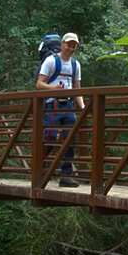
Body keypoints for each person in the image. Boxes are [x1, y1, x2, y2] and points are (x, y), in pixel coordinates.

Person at [36, 32, 84, 187]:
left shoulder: (76, 64)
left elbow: (77, 88)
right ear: (62, 44)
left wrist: (82, 106)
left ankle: (66, 174)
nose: (71, 48)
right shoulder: (51, 61)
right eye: (69, 45)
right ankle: (40, 170)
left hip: (68, 105)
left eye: (74, 46)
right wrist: (54, 88)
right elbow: (39, 84)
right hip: (52, 104)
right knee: (49, 137)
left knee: (70, 138)